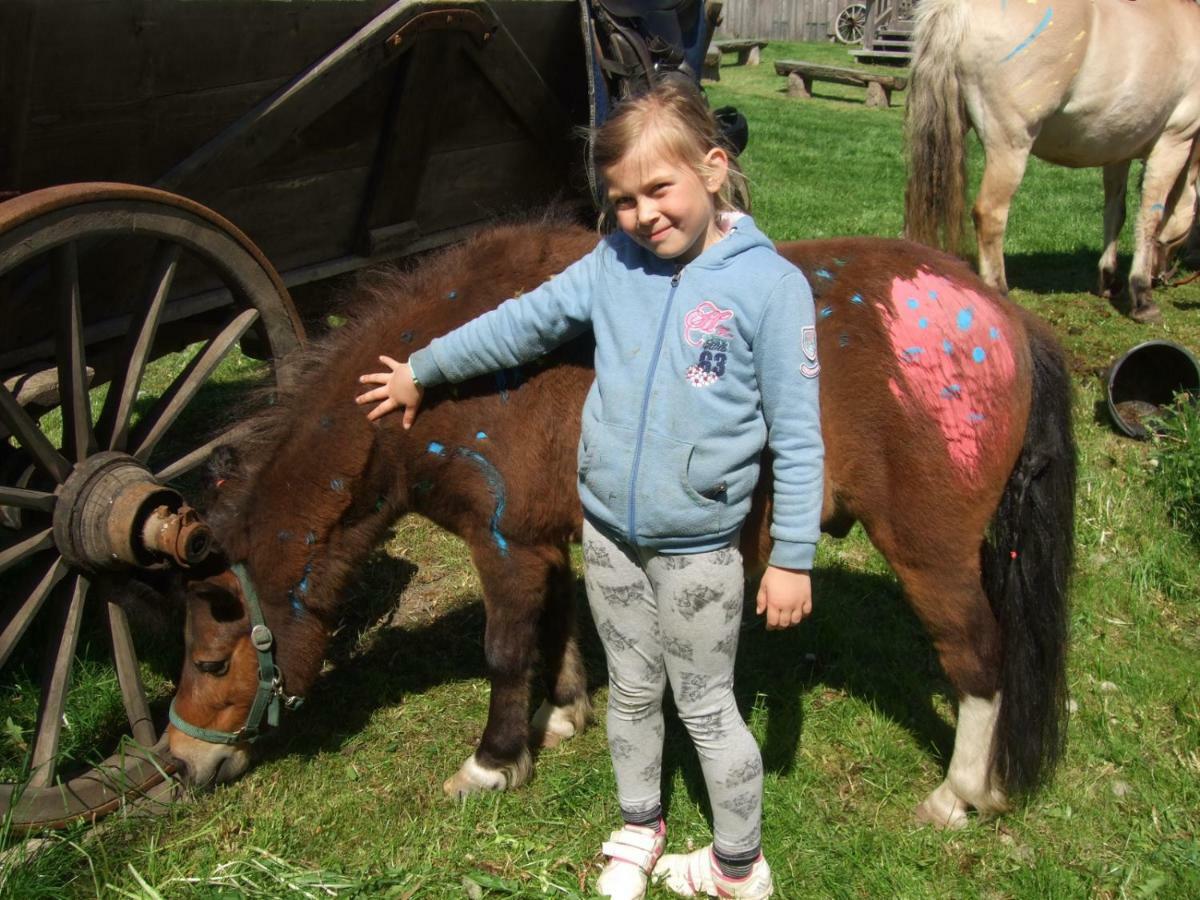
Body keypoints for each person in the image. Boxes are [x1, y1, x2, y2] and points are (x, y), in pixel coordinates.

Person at [356, 76, 823, 900]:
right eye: (624, 199)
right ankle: (640, 828)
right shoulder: (613, 263)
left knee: (708, 707)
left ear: (714, 169)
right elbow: (523, 321)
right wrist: (424, 369)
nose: (645, 215)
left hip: (700, 550)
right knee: (634, 691)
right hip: (608, 533)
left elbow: (797, 433)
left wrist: (790, 558)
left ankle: (738, 867)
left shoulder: (769, 287)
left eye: (660, 189)